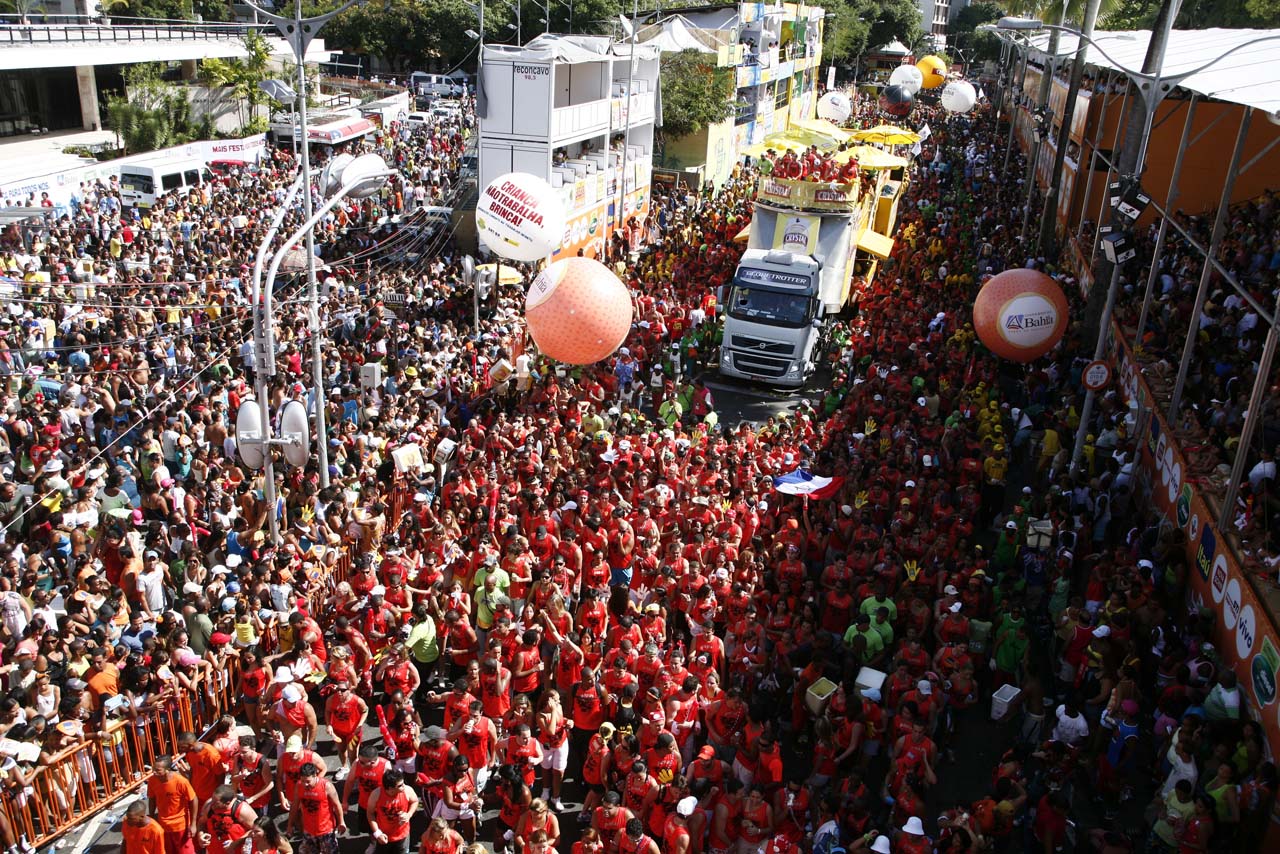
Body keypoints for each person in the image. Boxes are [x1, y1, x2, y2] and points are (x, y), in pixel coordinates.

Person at [287, 763, 344, 854]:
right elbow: (294, 806)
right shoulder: (299, 786)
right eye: (302, 780)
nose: (305, 784)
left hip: (326, 830)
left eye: (308, 781)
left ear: (315, 775)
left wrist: (341, 822)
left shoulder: (326, 786)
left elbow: (337, 805)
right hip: (308, 829)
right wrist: (290, 825)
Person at [145, 756, 198, 854]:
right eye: (153, 770)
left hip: (181, 826)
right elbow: (152, 799)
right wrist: (152, 816)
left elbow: (193, 799)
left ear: (167, 770)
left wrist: (193, 824)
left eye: (158, 770)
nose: (154, 773)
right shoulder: (152, 781)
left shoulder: (181, 781)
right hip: (163, 826)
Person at [367, 769, 420, 854]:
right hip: (384, 835)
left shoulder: (407, 790)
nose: (404, 787)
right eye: (400, 785)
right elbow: (370, 813)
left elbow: (415, 801)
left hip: (402, 835)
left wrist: (409, 814)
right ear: (390, 788)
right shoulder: (376, 794)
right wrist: (377, 833)